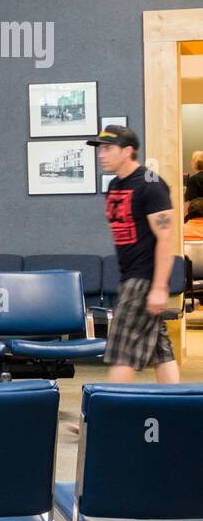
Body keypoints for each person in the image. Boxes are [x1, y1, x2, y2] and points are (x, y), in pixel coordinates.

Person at [89, 125, 180, 385]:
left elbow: (165, 238)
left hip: (143, 279)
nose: (101, 154)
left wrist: (160, 287)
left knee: (122, 350)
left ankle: (106, 415)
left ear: (127, 151)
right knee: (161, 350)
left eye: (108, 148)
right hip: (130, 275)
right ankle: (177, 407)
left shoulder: (151, 184)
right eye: (100, 149)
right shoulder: (116, 185)